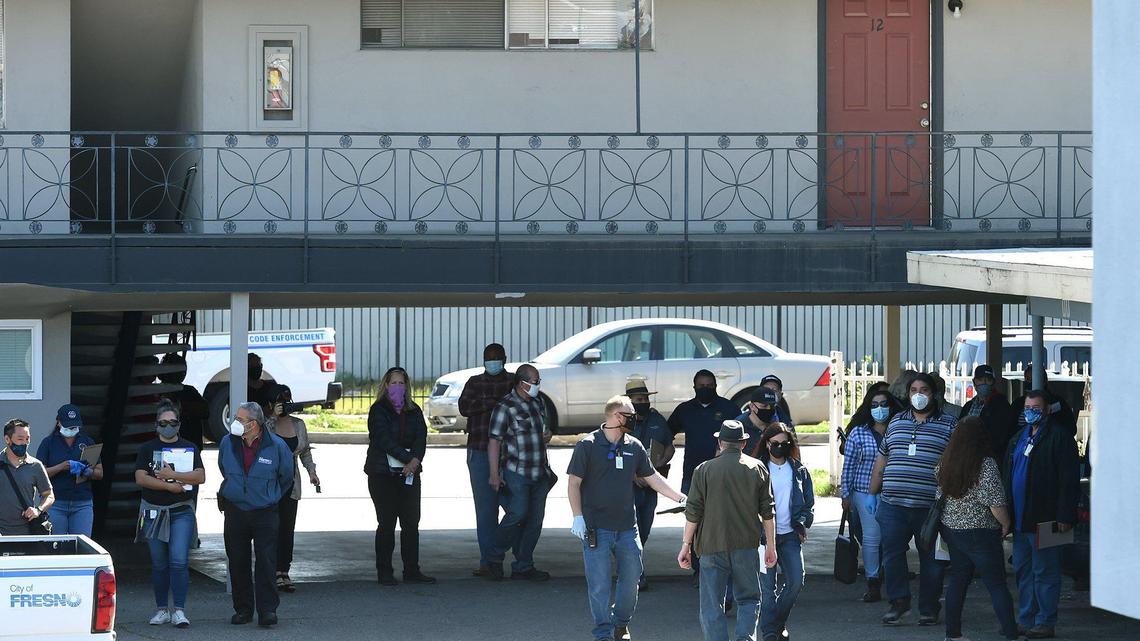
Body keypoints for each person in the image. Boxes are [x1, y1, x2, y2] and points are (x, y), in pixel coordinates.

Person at [568, 395, 685, 641]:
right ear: (617, 416)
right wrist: (577, 517)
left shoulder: (634, 445)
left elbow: (652, 477)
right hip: (595, 529)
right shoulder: (587, 445)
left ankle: (621, 623)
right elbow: (574, 483)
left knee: (631, 580)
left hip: (627, 529)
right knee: (599, 586)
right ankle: (603, 633)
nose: (636, 418)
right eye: (630, 415)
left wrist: (680, 498)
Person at [870, 372, 957, 626]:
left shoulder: (949, 425)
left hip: (929, 508)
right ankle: (899, 602)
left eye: (924, 390)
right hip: (892, 505)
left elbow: (956, 464)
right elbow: (882, 460)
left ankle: (929, 608)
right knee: (892, 555)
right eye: (914, 390)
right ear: (908, 395)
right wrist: (871, 493)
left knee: (931, 560)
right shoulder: (896, 422)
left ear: (934, 394)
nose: (918, 395)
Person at [678, 420, 777, 641]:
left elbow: (693, 512)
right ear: (743, 443)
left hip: (711, 545)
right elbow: (768, 512)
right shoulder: (757, 468)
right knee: (749, 598)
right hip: (746, 544)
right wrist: (771, 545)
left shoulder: (703, 469)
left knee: (712, 604)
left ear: (720, 442)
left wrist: (686, 545)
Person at [1003, 390, 1080, 639]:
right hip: (1021, 520)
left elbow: (1069, 481)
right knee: (1024, 572)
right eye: (1027, 407)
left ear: (1047, 410)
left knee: (1046, 572)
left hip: (1050, 520)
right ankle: (1027, 619)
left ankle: (1045, 621)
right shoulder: (1019, 438)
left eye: (1036, 407)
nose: (1031, 411)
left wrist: (1066, 515)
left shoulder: (1060, 438)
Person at [936, 416, 1018, 641]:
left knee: (958, 582)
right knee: (997, 585)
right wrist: (1006, 524)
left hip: (953, 530)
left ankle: (953, 635)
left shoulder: (946, 461)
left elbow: (939, 495)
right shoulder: (985, 464)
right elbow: (995, 503)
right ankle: (1011, 633)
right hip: (981, 532)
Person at [219, 401, 294, 627]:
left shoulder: (277, 446)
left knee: (266, 562)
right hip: (236, 511)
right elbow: (224, 468)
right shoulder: (227, 442)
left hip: (265, 512)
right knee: (238, 561)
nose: (236, 423)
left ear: (254, 424)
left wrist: (268, 496)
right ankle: (243, 610)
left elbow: (286, 478)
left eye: (240, 420)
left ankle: (267, 611)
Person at [134, 400, 206, 628]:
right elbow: (140, 478)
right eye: (163, 423)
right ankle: (161, 609)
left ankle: (179, 611)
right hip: (153, 511)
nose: (168, 426)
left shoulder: (190, 447)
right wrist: (168, 485)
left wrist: (173, 476)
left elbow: (200, 476)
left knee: (178, 560)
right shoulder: (147, 448)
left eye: (172, 422)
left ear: (179, 424)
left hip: (181, 510)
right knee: (159, 563)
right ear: (156, 425)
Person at [363, 367, 434, 586]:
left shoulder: (414, 411)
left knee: (411, 523)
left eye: (401, 383)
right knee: (386, 523)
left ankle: (412, 570)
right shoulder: (378, 410)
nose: (397, 387)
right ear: (385, 385)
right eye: (393, 383)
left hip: (409, 474)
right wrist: (407, 459)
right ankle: (384, 571)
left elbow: (421, 439)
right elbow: (382, 439)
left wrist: (414, 462)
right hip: (383, 474)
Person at [486, 363, 554, 582]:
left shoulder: (538, 402)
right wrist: (494, 474)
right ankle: (494, 557)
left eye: (538, 381)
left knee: (535, 521)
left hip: (540, 472)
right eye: (534, 382)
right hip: (517, 472)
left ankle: (524, 565)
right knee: (517, 514)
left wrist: (546, 435)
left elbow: (540, 431)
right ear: (521, 383)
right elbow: (494, 441)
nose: (537, 385)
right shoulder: (505, 407)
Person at [458, 342, 515, 577]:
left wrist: (486, 405)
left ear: (504, 359)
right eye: (489, 357)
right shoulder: (474, 382)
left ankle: (511, 555)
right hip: (480, 450)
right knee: (485, 510)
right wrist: (496, 402)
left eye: (497, 357)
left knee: (517, 509)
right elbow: (464, 407)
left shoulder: (513, 381)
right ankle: (488, 561)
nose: (493, 361)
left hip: (511, 452)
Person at [755, 423, 814, 641]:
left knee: (796, 580)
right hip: (762, 538)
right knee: (767, 588)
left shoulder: (799, 470)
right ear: (767, 443)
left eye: (784, 443)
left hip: (790, 535)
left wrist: (801, 523)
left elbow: (809, 504)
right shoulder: (757, 468)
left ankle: (777, 624)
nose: (779, 447)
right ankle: (770, 633)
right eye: (775, 443)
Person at [840, 388, 900, 603]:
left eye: (883, 404)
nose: (879, 409)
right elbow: (849, 467)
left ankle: (891, 577)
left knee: (894, 539)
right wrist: (845, 495)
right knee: (872, 538)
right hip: (864, 492)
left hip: (894, 492)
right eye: (874, 405)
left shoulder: (899, 429)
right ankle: (873, 581)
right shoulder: (858, 432)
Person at [267, 384, 320, 593]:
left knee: (287, 529)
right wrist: (272, 417)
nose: (285, 407)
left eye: (287, 402)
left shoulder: (298, 425)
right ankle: (270, 570)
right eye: (280, 403)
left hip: (292, 483)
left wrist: (312, 472)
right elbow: (260, 442)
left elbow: (305, 451)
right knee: (270, 528)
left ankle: (283, 570)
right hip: (270, 483)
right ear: (271, 404)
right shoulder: (265, 424)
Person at [623, 378, 674, 591]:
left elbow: (669, 446)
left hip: (651, 485)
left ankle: (635, 568)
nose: (643, 402)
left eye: (645, 399)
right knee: (630, 531)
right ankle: (634, 574)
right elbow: (614, 449)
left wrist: (661, 463)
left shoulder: (657, 420)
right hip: (628, 486)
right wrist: (632, 473)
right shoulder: (622, 419)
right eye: (638, 399)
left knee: (644, 529)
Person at [667, 369, 740, 494]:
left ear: (715, 386)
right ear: (694, 387)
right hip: (693, 473)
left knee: (720, 512)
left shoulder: (729, 408)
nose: (705, 389)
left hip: (723, 472)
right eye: (701, 386)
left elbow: (741, 439)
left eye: (709, 386)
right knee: (692, 511)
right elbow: (666, 434)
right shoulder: (685, 410)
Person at [36, 404, 102, 536]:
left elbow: (99, 473)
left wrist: (86, 471)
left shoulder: (87, 441)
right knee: (56, 545)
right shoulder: (48, 443)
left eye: (74, 425)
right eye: (68, 425)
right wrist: (62, 467)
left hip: (82, 502)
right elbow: (39, 473)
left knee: (83, 545)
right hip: (56, 502)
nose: (72, 428)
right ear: (58, 422)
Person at [0, 419, 54, 536]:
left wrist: (38, 510)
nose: (24, 443)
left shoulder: (35, 466)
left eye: (27, 439)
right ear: (7, 439)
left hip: (28, 533)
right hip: (2, 532)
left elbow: (49, 495)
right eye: (20, 439)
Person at [959, 365, 1019, 469]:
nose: (984, 383)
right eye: (980, 380)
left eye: (988, 380)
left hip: (991, 463)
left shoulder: (1002, 406)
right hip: (966, 459)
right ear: (974, 382)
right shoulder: (968, 406)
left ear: (993, 382)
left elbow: (1002, 437)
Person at [158, 353, 209, 452]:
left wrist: (182, 405)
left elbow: (205, 411)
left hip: (188, 445)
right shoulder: (156, 392)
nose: (182, 374)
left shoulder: (188, 391)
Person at [1011, 366, 1077, 435]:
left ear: (1044, 381)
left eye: (1033, 379)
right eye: (1027, 379)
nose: (1030, 382)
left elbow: (1070, 428)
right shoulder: (1018, 404)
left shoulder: (1058, 404)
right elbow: (1011, 429)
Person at [737, 387, 781, 457]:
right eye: (764, 406)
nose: (769, 409)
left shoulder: (776, 426)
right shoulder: (738, 427)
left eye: (772, 406)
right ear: (752, 406)